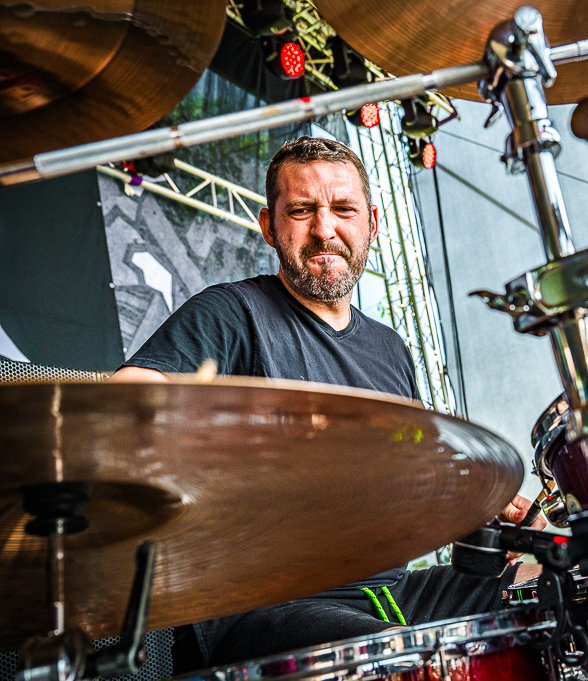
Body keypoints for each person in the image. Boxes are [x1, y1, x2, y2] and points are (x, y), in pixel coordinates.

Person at [112, 136, 543, 669]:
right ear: (269, 226)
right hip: (269, 605)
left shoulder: (390, 349)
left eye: (343, 209)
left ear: (372, 224)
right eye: (301, 210)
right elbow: (123, 408)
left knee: (558, 591)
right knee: (403, 658)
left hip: (389, 593)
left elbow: (416, 480)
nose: (324, 229)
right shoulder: (232, 313)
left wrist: (476, 509)